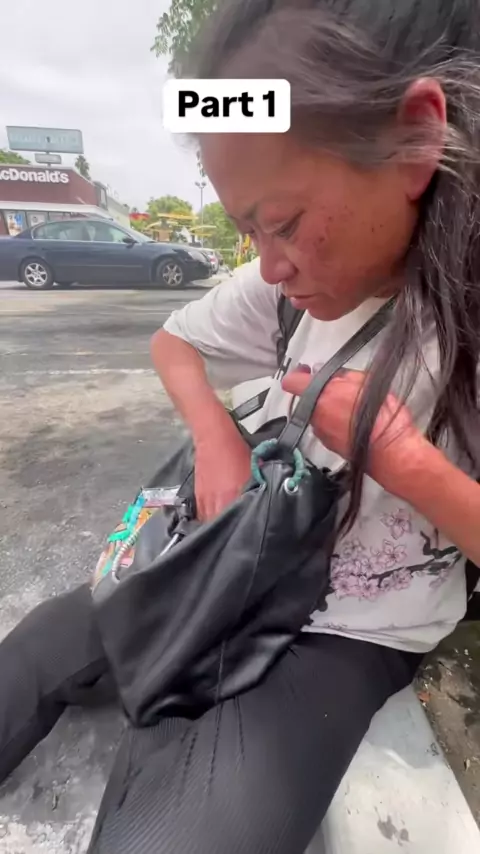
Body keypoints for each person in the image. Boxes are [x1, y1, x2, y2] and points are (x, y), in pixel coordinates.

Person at [2, 1, 480, 851]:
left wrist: (406, 462)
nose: (269, 263)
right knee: (37, 653)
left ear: (413, 139)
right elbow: (174, 342)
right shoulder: (280, 287)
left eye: (284, 223)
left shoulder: (460, 323)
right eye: (247, 229)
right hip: (226, 557)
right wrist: (216, 435)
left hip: (347, 631)